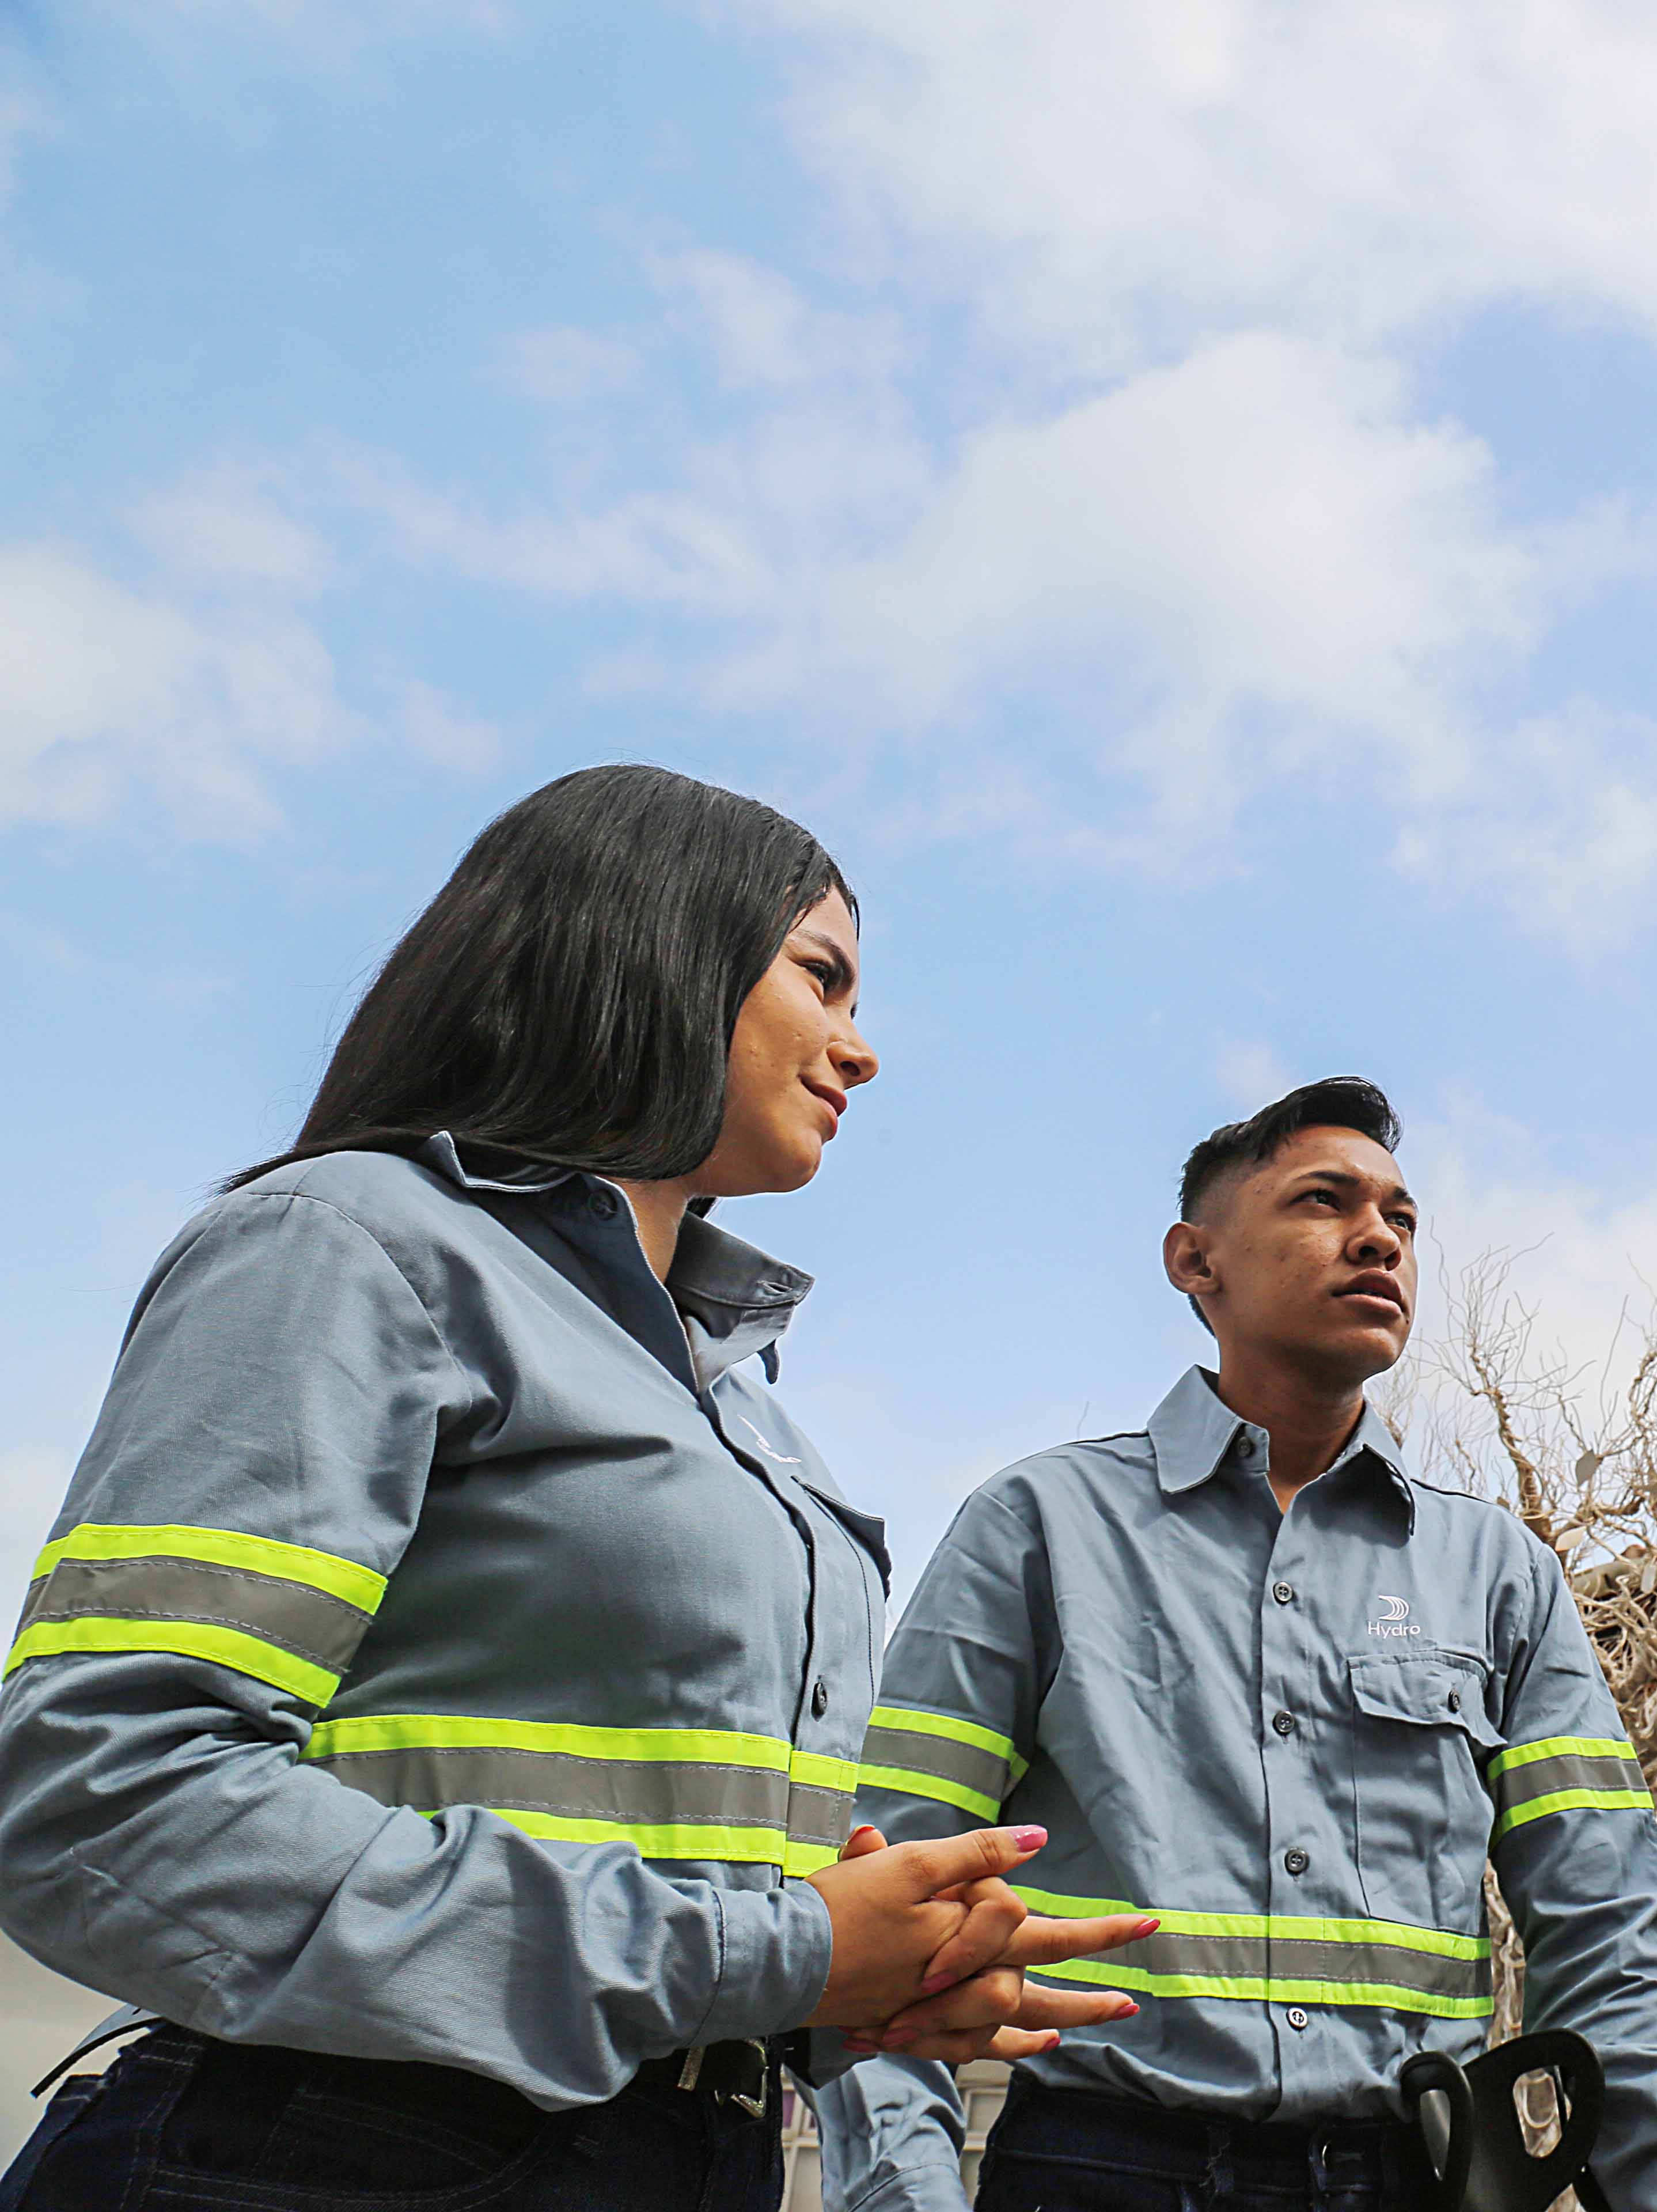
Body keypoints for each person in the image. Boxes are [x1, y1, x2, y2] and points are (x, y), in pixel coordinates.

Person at [0, 766, 1147, 2212]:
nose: (862, 1052)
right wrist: (776, 1954)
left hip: (672, 2153)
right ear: (658, 942)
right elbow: (106, 1802)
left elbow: (651, 1878)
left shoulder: (746, 1404)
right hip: (334, 2150)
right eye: (825, 979)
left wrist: (852, 1981)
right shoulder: (351, 1244)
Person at [814, 1078, 1657, 2212]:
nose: (1379, 1240)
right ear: (1195, 1262)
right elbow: (891, 1907)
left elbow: (1607, 1944)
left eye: (1401, 1220)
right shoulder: (1038, 1530)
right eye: (1324, 1201)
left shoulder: (1500, 1576)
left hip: (1411, 2171)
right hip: (1099, 2167)